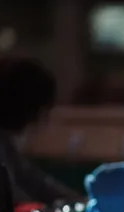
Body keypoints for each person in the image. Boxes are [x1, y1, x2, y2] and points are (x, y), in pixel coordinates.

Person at [0, 55, 81, 204]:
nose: (47, 119)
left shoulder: (8, 147)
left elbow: (35, 182)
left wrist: (80, 203)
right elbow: (12, 200)